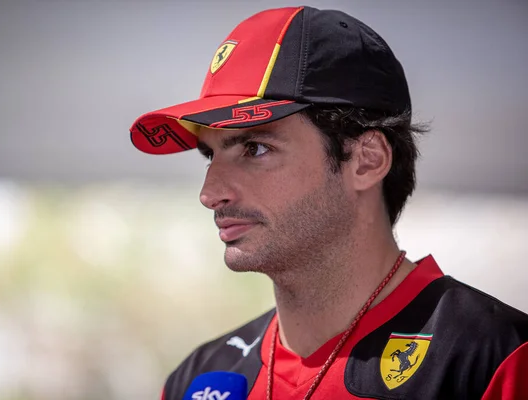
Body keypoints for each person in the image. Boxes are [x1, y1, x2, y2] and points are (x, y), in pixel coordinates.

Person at [129, 6, 528, 400]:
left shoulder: (497, 359)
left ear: (367, 160)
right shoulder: (196, 378)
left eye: (254, 148)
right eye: (209, 155)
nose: (209, 193)